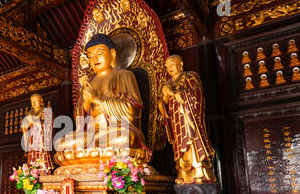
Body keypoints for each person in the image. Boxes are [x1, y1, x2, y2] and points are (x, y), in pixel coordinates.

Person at [55, 33, 150, 160]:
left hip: (116, 131)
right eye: (90, 56)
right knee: (60, 143)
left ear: (112, 54)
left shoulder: (124, 75)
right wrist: (86, 103)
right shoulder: (89, 83)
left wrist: (96, 99)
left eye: (99, 53)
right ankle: (98, 151)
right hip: (91, 135)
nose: (94, 59)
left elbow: (133, 110)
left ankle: (93, 153)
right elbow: (79, 119)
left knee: (126, 138)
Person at [158, 55, 217, 184]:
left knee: (193, 142)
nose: (169, 68)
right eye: (167, 66)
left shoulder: (190, 76)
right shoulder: (167, 84)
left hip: (190, 118)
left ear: (181, 64)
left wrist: (179, 94)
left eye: (172, 64)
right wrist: (166, 97)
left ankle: (200, 171)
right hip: (176, 121)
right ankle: (183, 174)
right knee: (180, 148)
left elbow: (198, 94)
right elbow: (163, 106)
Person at [21, 93, 54, 170]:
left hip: (42, 140)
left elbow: (49, 127)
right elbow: (25, 128)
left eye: (36, 101)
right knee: (32, 155)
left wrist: (37, 122)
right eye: (32, 101)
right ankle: (33, 172)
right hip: (32, 140)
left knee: (42, 154)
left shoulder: (46, 111)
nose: (34, 103)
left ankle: (43, 169)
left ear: (41, 101)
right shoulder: (29, 114)